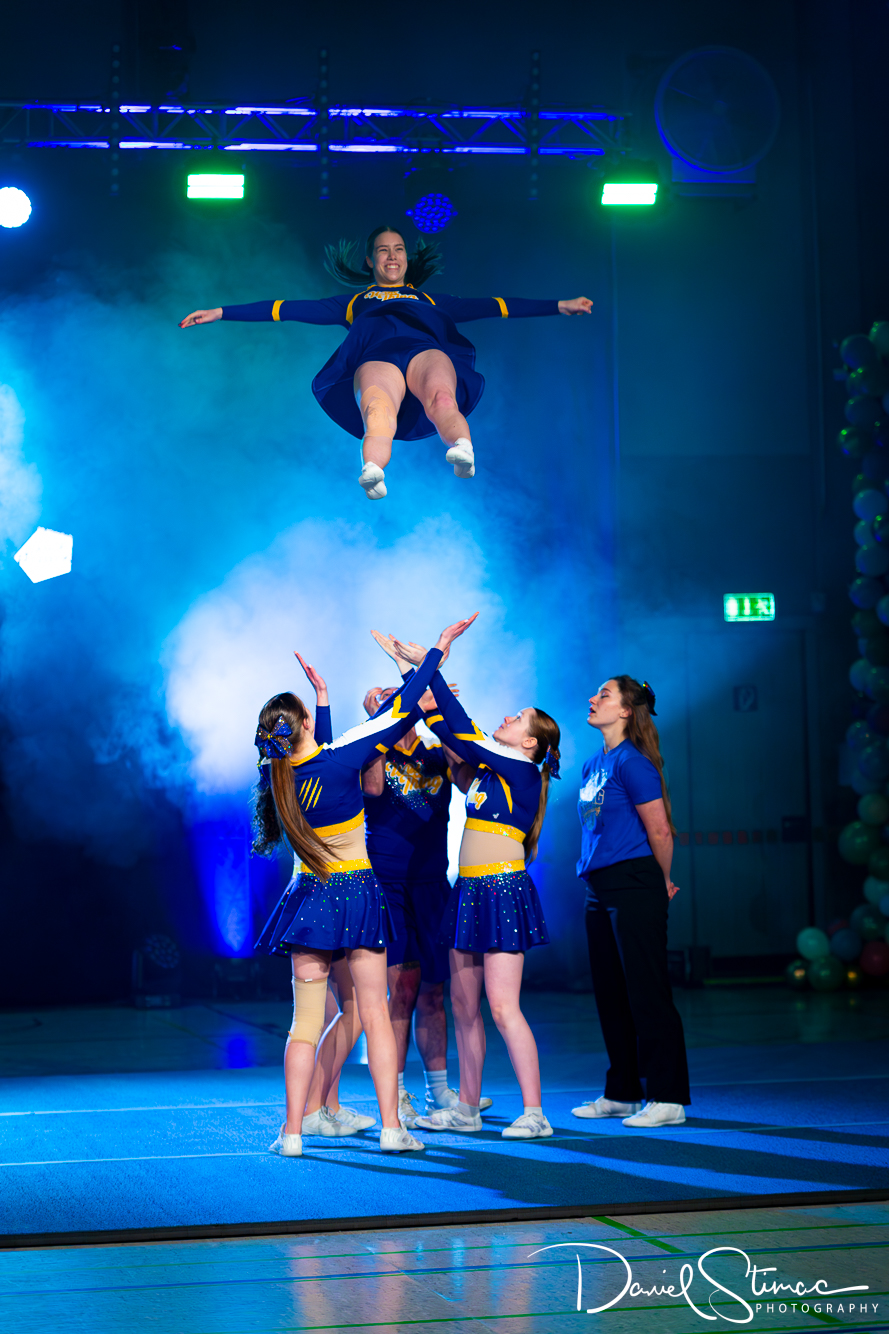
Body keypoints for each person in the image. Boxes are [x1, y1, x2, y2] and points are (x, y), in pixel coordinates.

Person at [251, 613, 476, 1158]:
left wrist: (322, 700)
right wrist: (435, 650)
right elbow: (403, 709)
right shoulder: (344, 758)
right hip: (356, 895)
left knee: (305, 1024)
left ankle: (291, 1133)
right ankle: (392, 1128)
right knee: (374, 1013)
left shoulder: (279, 777)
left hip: (308, 899)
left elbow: (320, 756)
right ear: (306, 725)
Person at [179, 225, 592, 499]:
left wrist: (560, 305)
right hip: (376, 357)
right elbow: (284, 309)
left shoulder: (432, 299)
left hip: (424, 352)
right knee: (377, 412)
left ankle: (462, 451)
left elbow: (498, 305)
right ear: (370, 261)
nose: (392, 257)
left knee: (442, 399)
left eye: (398, 250)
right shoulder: (352, 302)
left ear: (406, 259)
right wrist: (220, 312)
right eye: (383, 251)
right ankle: (373, 472)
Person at [372, 629, 559, 1141]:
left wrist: (430, 662)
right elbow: (449, 730)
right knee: (462, 1006)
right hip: (468, 892)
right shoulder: (487, 774)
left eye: (517, 718)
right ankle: (467, 1108)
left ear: (531, 742)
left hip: (501, 892)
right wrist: (413, 673)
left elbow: (462, 730)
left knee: (502, 1007)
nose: (508, 718)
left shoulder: (522, 770)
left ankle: (535, 1112)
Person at [360, 677, 493, 1127]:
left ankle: (439, 1092)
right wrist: (378, 722)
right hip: (388, 885)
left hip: (434, 884)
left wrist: (440, 710)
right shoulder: (374, 750)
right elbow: (372, 786)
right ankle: (395, 1093)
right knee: (400, 990)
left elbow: (467, 772)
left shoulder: (436, 753)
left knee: (435, 992)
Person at [572, 676, 690, 1129]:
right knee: (610, 992)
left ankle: (668, 1096)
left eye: (603, 694)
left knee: (647, 990)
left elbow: (660, 830)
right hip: (599, 886)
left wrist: (663, 880)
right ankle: (622, 1091)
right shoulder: (593, 764)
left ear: (625, 710)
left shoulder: (633, 763)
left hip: (636, 881)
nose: (593, 698)